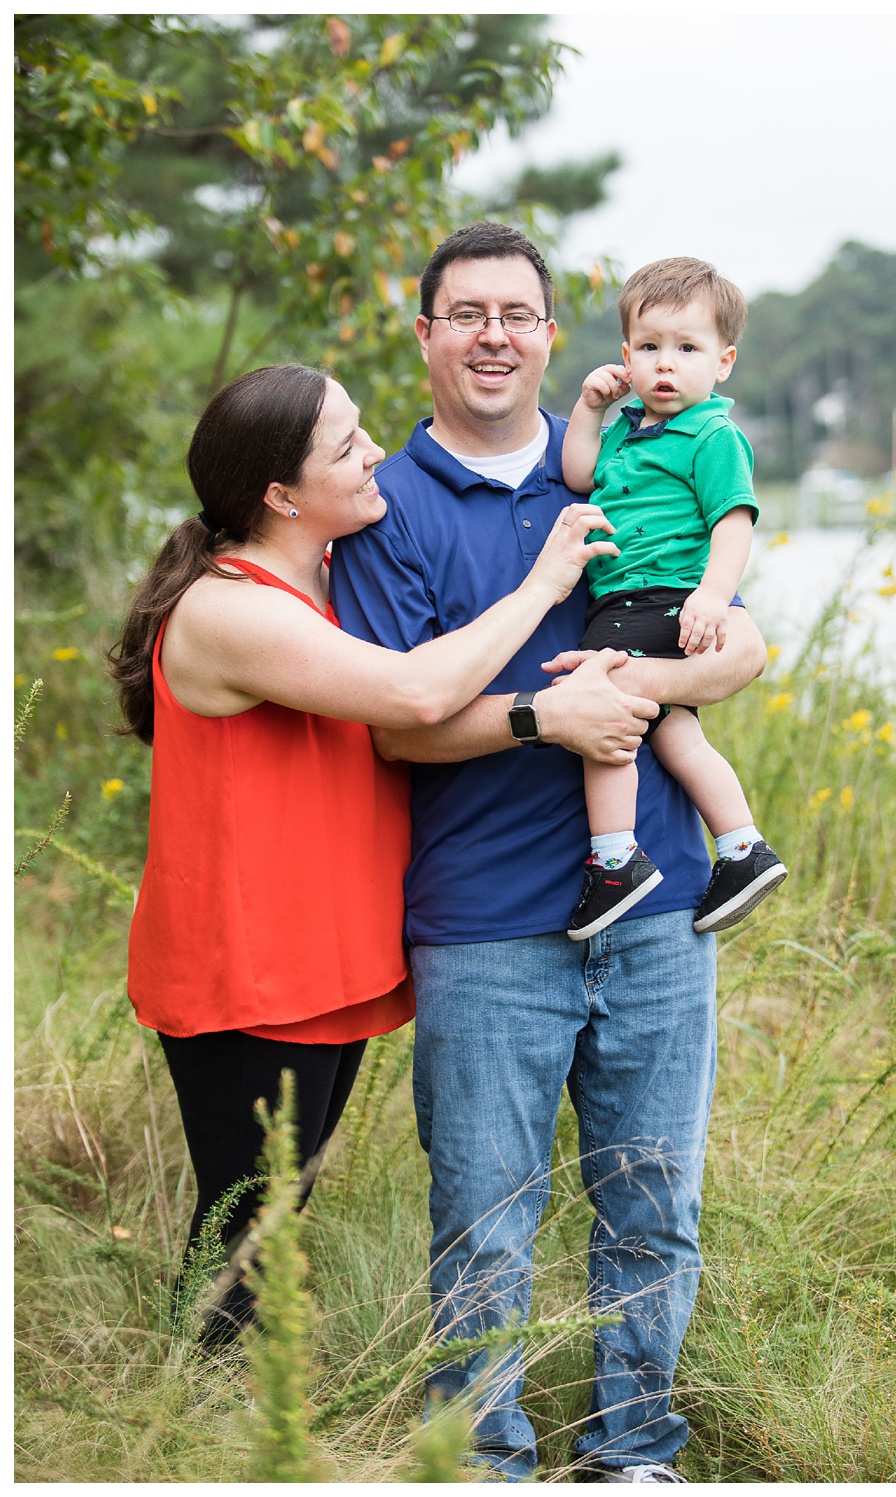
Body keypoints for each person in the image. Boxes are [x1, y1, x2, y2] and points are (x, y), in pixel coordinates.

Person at [329, 222, 767, 1483]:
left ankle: (635, 1452)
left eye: (517, 315)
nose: (494, 337)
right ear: (426, 337)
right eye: (466, 314)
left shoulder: (628, 467)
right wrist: (540, 713)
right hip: (485, 923)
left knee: (653, 1211)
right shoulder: (385, 509)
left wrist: (723, 657)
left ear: (551, 338)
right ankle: (485, 1461)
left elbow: (721, 633)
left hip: (660, 912)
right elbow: (397, 727)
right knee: (482, 1227)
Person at [113, 363, 614, 1342]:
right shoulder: (229, 609)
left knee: (272, 1218)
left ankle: (226, 1413)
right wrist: (544, 581)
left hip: (318, 961)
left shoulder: (334, 580)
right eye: (346, 447)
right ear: (279, 494)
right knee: (243, 1231)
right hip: (243, 969)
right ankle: (184, 1426)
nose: (375, 450)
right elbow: (418, 695)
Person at [557, 255, 787, 940]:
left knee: (605, 726)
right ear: (626, 356)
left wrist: (715, 597)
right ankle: (743, 845)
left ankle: (616, 857)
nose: (666, 364)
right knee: (675, 729)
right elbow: (576, 473)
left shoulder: (714, 434)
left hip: (660, 600)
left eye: (687, 348)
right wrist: (590, 407)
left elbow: (733, 522)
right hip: (634, 602)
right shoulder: (625, 430)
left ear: (723, 361)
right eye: (650, 347)